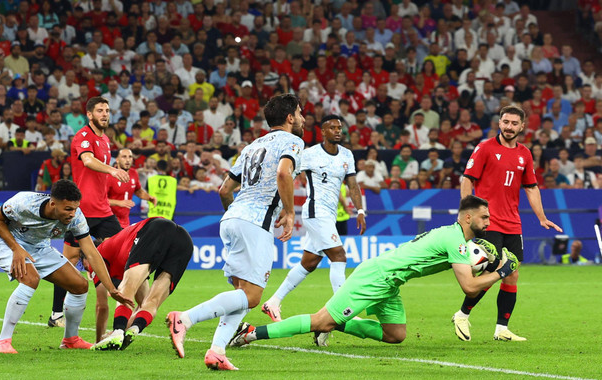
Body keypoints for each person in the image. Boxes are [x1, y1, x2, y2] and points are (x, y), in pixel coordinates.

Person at [229, 196, 520, 349]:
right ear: (468, 217)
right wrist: (502, 270)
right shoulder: (454, 240)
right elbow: (469, 287)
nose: (489, 221)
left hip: (390, 281)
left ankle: (338, 323)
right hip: (377, 277)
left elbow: (472, 267)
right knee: (319, 320)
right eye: (484, 216)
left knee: (396, 335)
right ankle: (252, 333)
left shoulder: (457, 238)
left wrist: (494, 266)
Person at [165, 94, 305, 371]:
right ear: (290, 118)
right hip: (255, 223)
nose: (302, 119)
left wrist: (235, 217)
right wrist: (289, 213)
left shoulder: (253, 145)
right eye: (300, 114)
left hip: (234, 217)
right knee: (252, 297)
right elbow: (283, 174)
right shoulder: (293, 141)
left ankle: (217, 351)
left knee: (242, 291)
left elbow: (224, 190)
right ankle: (185, 319)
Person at [452, 105, 562, 342]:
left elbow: (531, 187)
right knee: (491, 270)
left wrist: (542, 217)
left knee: (511, 274)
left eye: (514, 123)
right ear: (499, 123)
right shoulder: (485, 148)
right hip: (488, 221)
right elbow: (467, 180)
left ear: (522, 126)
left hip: (513, 222)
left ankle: (502, 328)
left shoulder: (525, 154)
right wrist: (468, 215)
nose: (509, 127)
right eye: (505, 122)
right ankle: (462, 314)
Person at [0, 180, 133, 353]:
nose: (72, 213)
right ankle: (3, 341)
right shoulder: (24, 202)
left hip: (39, 248)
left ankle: (70, 339)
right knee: (30, 279)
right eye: (68, 209)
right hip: (8, 243)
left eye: (75, 208)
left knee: (79, 285)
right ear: (52, 203)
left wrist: (111, 289)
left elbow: (92, 252)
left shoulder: (77, 217)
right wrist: (16, 249)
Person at [260, 115, 366, 346]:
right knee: (339, 256)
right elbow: (286, 176)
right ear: (322, 131)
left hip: (329, 214)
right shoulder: (309, 155)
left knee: (309, 262)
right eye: (332, 127)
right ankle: (344, 309)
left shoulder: (347, 155)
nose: (338, 131)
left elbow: (353, 185)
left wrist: (360, 210)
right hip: (314, 212)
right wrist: (283, 207)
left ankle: (274, 302)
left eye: (340, 127)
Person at [49, 97, 130, 328]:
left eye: (107, 110)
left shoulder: (105, 139)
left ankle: (123, 301)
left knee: (123, 252)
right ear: (89, 114)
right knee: (69, 261)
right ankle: (56, 314)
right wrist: (113, 170)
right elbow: (87, 161)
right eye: (100, 111)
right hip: (81, 211)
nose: (105, 114)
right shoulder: (83, 137)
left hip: (103, 211)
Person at [91, 217, 194, 348]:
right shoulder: (120, 246)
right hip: (184, 241)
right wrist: (126, 328)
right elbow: (141, 302)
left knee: (126, 288)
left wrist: (99, 339)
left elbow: (102, 306)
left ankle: (117, 332)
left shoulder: (97, 255)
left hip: (156, 228)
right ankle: (135, 328)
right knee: (151, 301)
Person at [106, 148, 157, 228]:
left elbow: (138, 191)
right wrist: (119, 203)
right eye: (124, 157)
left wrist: (149, 198)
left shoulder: (134, 173)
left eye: (130, 157)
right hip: (109, 220)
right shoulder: (109, 176)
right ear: (117, 160)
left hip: (125, 222)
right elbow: (101, 200)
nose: (127, 160)